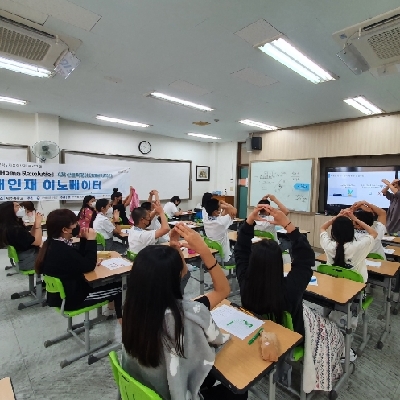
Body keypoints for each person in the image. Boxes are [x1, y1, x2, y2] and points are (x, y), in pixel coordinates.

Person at [122, 223, 247, 400]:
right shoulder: (190, 314)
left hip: (151, 384)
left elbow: (179, 276)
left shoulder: (133, 308)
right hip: (175, 393)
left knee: (208, 378)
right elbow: (222, 290)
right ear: (175, 277)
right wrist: (204, 250)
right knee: (239, 390)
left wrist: (174, 243)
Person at [234, 205, 345, 392]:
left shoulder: (244, 282)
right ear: (280, 263)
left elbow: (240, 250)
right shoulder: (290, 288)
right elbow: (307, 257)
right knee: (333, 330)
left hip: (258, 333)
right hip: (292, 336)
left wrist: (249, 221)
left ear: (251, 264)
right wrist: (287, 224)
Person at [35, 209, 122, 321]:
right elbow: (88, 266)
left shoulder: (52, 243)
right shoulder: (62, 251)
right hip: (75, 299)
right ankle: (124, 328)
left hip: (60, 296)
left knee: (111, 283)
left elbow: (78, 258)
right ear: (65, 229)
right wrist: (91, 240)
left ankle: (110, 311)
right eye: (74, 224)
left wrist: (83, 239)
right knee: (120, 287)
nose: (77, 225)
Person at [320, 209, 377, 283]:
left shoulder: (328, 245)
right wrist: (355, 219)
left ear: (333, 232)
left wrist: (337, 217)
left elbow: (322, 228)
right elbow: (374, 233)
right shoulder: (358, 246)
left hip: (332, 282)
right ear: (351, 231)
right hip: (356, 285)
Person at [0, 202, 43, 271]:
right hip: (30, 260)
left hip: (25, 258)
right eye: (17, 206)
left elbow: (30, 237)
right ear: (9, 211)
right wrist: (38, 224)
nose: (21, 208)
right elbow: (37, 242)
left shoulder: (10, 227)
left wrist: (35, 224)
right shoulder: (15, 230)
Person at [203, 198, 237, 264]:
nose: (221, 208)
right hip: (224, 258)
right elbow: (234, 210)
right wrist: (225, 203)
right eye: (220, 207)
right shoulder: (221, 222)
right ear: (215, 212)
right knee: (242, 256)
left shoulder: (205, 220)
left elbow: (222, 214)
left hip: (213, 256)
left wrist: (220, 205)